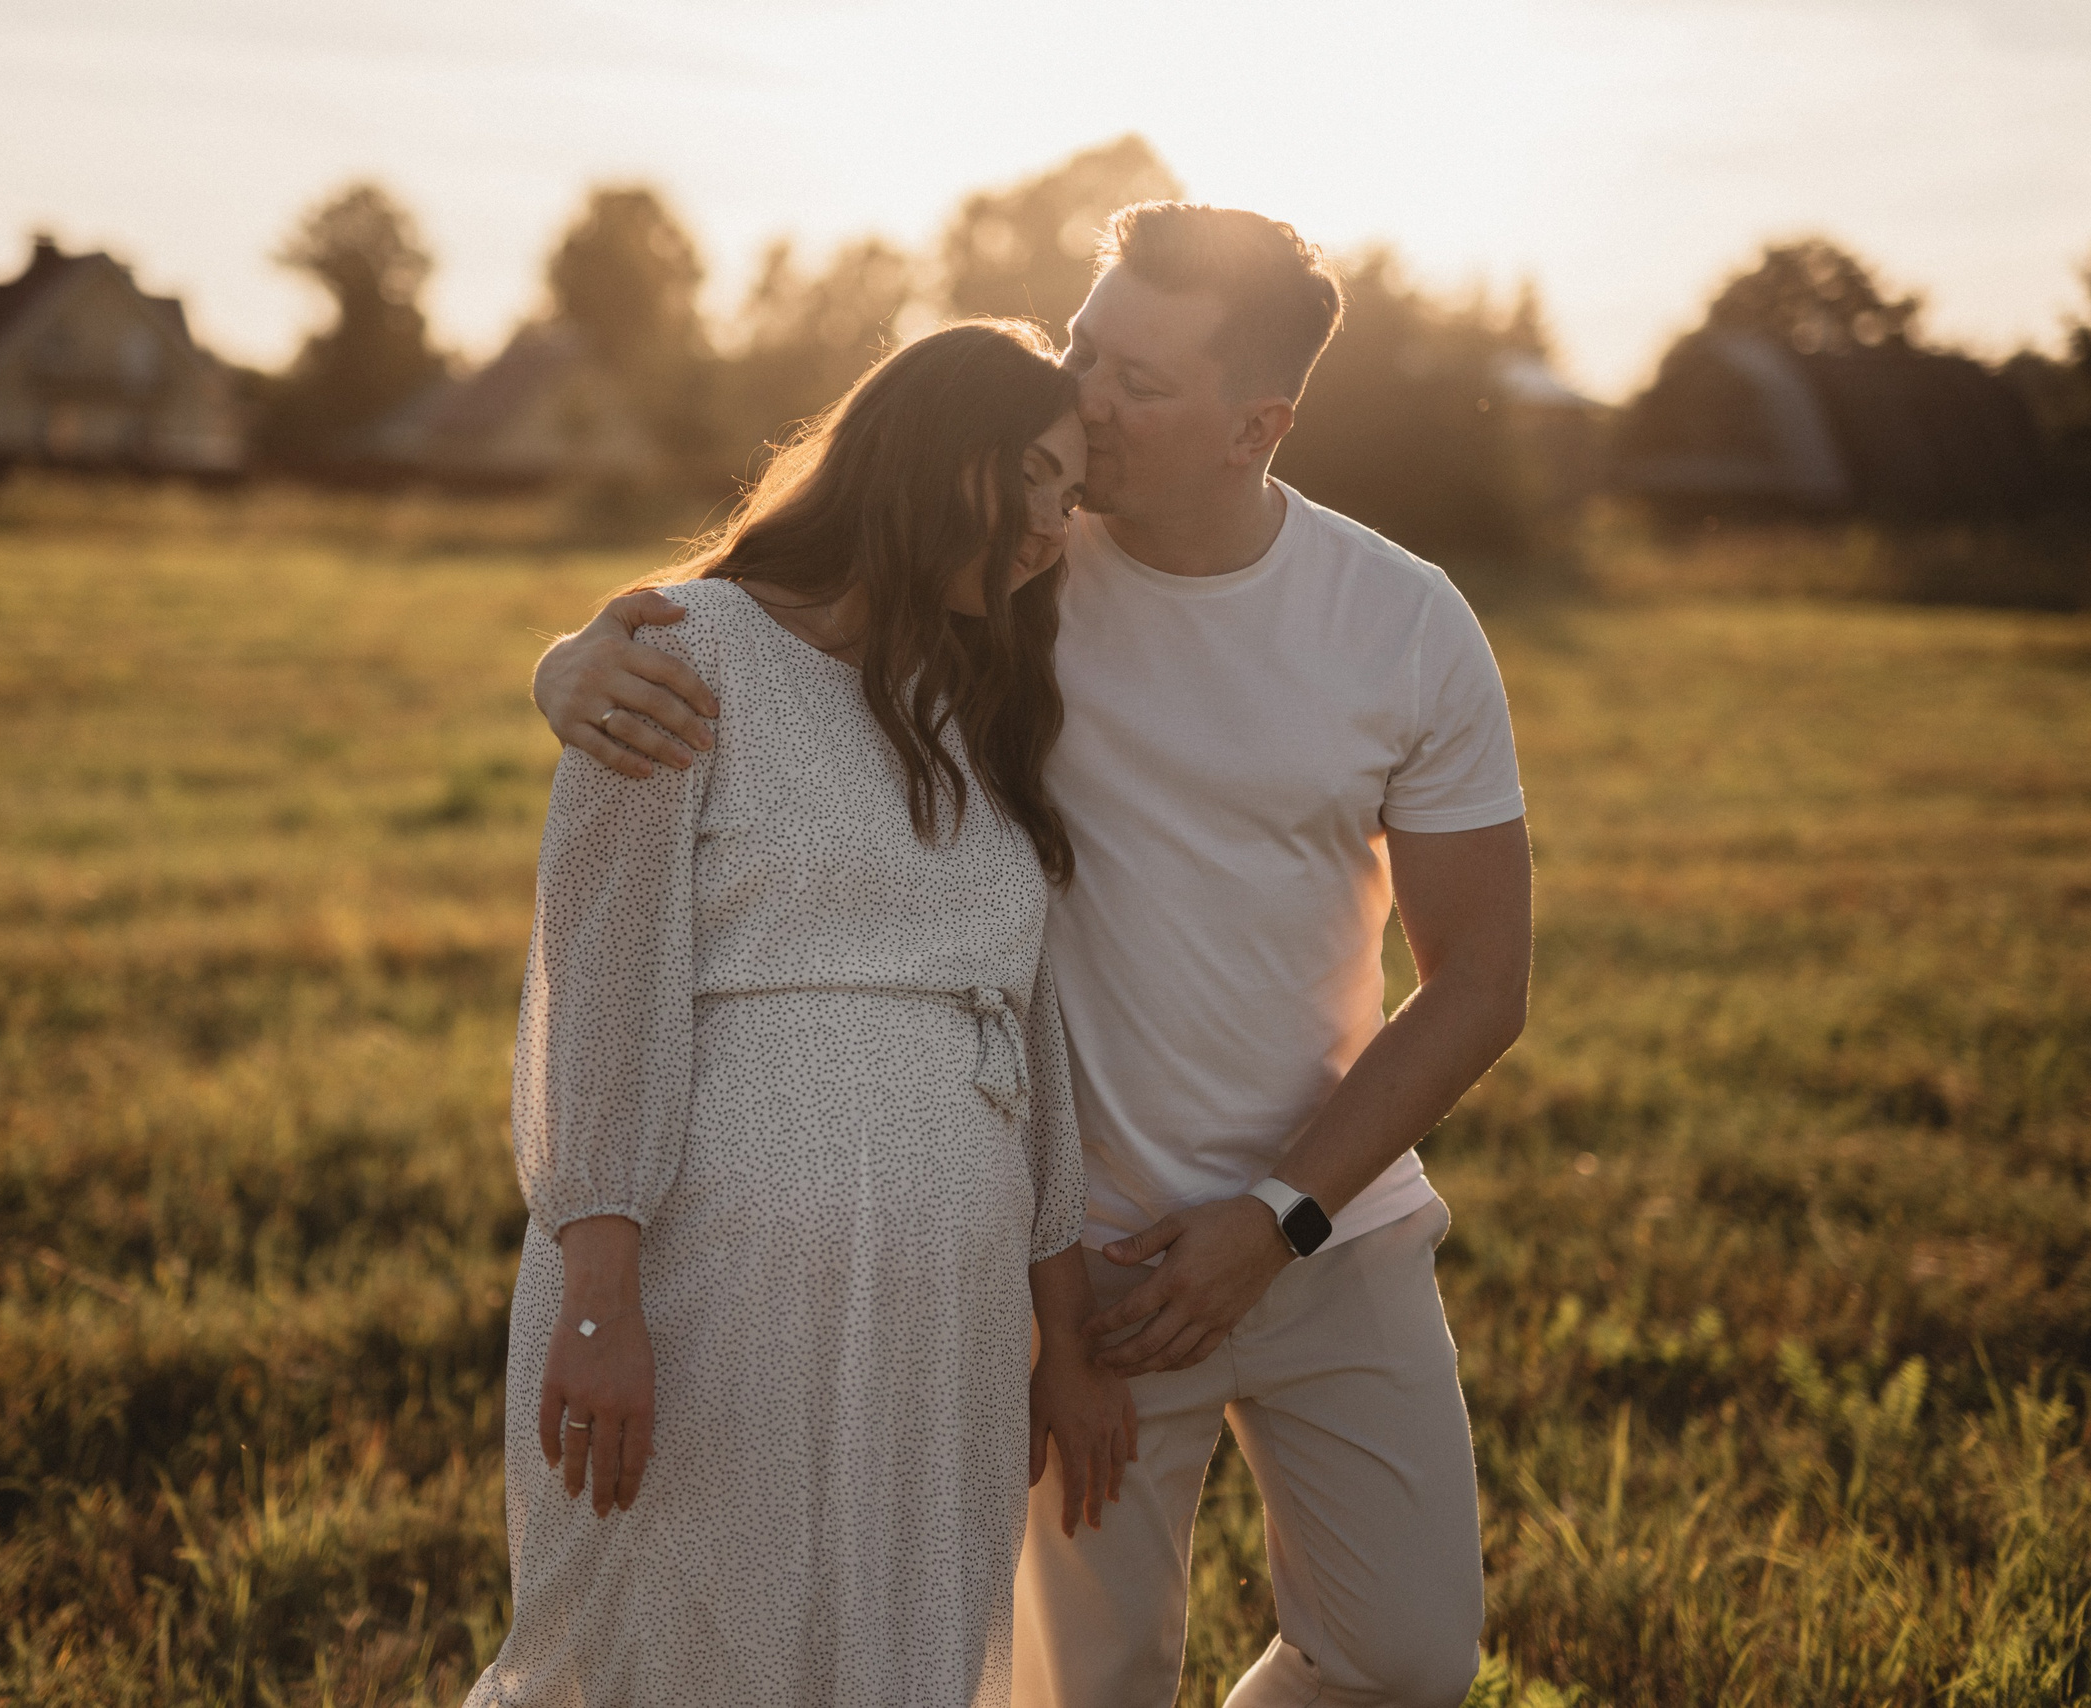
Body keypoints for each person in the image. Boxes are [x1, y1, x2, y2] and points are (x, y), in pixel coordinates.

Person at [533, 203, 1533, 1708]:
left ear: (1257, 422)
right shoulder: (1012, 570)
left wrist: (1278, 1219)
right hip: (1090, 1264)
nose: (1086, 395)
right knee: (1086, 1687)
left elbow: (1481, 982)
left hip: (1332, 1223)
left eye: (1137, 378)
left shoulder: (1401, 621)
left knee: (1405, 1662)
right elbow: (775, 627)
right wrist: (569, 666)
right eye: (1081, 346)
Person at [468, 319, 1138, 1708]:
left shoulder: (968, 698)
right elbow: (602, 986)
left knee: (889, 1661)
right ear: (939, 451)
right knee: (678, 1641)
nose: (1052, 529)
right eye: (1038, 479)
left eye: (1072, 496)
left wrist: (1060, 1337)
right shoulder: (680, 647)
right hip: (717, 1288)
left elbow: (1031, 1039)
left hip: (939, 1316)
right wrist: (599, 1297)